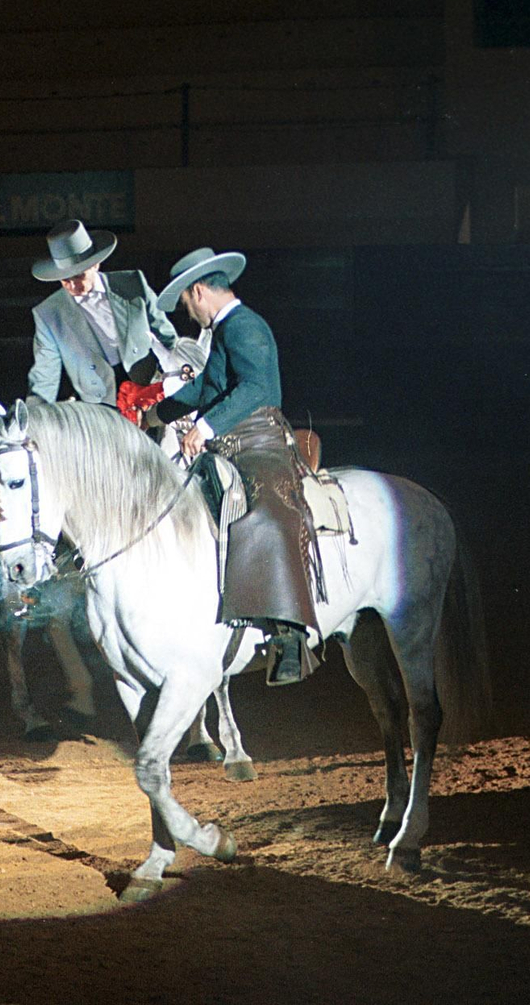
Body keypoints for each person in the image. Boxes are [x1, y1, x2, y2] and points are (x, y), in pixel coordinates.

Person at [151, 247, 320, 685]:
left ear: (199, 291)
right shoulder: (227, 331)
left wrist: (204, 429)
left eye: (187, 303)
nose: (189, 313)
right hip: (231, 442)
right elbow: (206, 388)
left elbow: (257, 387)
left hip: (261, 441)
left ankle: (289, 633)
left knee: (267, 509)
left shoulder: (245, 326)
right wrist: (153, 412)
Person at [26, 219, 179, 408]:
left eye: (78, 276)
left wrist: (180, 381)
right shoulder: (48, 314)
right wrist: (32, 419)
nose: (73, 286)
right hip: (99, 405)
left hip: (149, 391)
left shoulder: (133, 283)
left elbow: (167, 338)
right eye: (65, 280)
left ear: (95, 265)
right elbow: (44, 376)